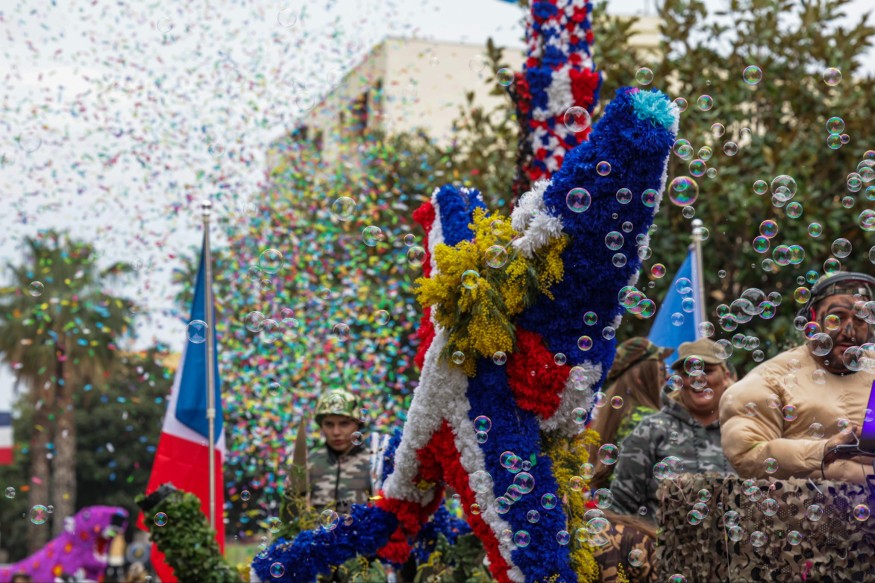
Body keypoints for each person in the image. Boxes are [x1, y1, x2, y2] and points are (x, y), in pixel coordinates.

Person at [720, 272, 875, 482]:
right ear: (812, 321)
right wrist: (823, 450)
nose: (849, 331)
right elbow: (747, 455)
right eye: (836, 318)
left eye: (860, 319)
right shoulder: (771, 378)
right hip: (806, 502)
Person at [609, 338, 735, 521]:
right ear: (679, 380)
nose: (698, 379)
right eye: (688, 373)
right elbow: (619, 507)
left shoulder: (744, 431)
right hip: (657, 538)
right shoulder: (651, 430)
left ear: (726, 376)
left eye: (707, 371)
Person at [587, 337, 672, 490]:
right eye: (661, 370)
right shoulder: (649, 420)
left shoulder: (614, 414)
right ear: (639, 376)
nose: (667, 377)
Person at [282, 389, 373, 517]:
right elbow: (292, 517)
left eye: (344, 424)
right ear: (321, 426)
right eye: (329, 424)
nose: (336, 432)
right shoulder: (309, 464)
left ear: (358, 424)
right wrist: (290, 494)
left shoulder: (374, 464)